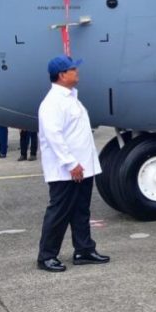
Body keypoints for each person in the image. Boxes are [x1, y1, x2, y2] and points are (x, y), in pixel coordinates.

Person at [36, 55, 108, 273]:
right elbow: (53, 135)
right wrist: (70, 163)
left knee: (81, 211)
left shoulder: (70, 97)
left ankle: (84, 249)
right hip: (67, 170)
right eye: (73, 69)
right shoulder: (53, 103)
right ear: (62, 75)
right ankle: (47, 256)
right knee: (59, 213)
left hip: (82, 167)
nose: (77, 72)